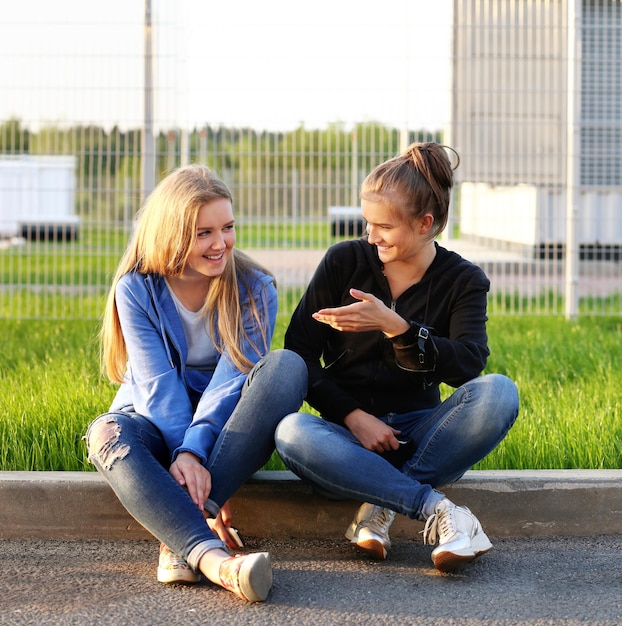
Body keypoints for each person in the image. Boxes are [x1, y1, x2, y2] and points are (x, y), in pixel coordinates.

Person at [275, 142, 519, 573]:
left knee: (499, 393)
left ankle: (382, 501)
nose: (371, 236)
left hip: (422, 437)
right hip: (346, 441)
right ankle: (433, 506)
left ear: (425, 223)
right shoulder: (344, 261)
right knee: (292, 432)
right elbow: (298, 357)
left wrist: (397, 328)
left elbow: (468, 364)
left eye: (383, 227)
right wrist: (353, 416)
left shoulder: (464, 281)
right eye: (368, 223)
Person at [86, 164, 307, 602]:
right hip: (153, 414)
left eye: (227, 227)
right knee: (105, 433)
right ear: (172, 233)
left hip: (226, 425)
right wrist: (180, 451)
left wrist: (192, 453)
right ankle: (215, 561)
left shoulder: (254, 287)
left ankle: (180, 532)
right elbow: (156, 386)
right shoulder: (137, 288)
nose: (220, 243)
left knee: (286, 367)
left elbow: (231, 383)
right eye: (203, 233)